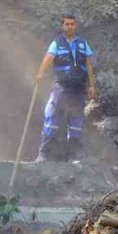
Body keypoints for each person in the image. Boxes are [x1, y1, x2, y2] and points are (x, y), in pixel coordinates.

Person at [33, 15, 97, 163]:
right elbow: (48, 58)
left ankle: (73, 156)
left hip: (78, 87)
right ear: (62, 26)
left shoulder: (82, 43)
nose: (70, 27)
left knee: (76, 121)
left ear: (75, 26)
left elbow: (88, 64)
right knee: (52, 116)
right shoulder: (57, 43)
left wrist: (92, 85)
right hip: (61, 86)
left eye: (72, 24)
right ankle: (43, 154)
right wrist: (40, 75)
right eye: (67, 24)